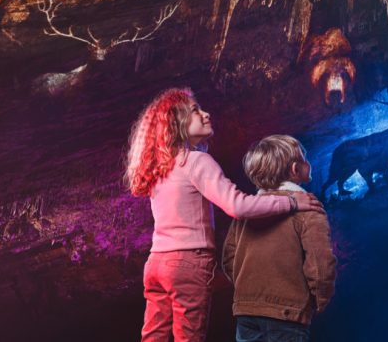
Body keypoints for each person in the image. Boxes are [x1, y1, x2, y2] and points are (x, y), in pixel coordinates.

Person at [124, 88, 324, 342]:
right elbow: (238, 206)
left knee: (153, 336)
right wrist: (291, 203)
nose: (206, 114)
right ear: (176, 123)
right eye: (195, 110)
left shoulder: (159, 168)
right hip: (187, 263)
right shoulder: (196, 162)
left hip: (156, 265)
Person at [222, 135, 336, 342]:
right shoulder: (309, 208)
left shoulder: (248, 211)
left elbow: (229, 258)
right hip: (288, 312)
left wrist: (248, 292)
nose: (308, 163)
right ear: (295, 169)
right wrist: (319, 299)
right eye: (305, 158)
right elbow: (320, 262)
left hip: (246, 310)